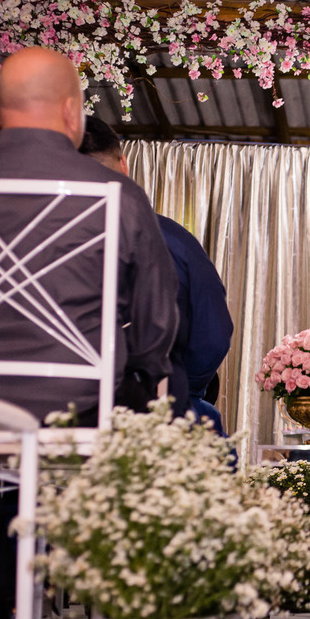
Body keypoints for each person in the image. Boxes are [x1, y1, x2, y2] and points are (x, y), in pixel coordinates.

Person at [0, 47, 177, 619]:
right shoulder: (114, 193)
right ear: (73, 113)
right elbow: (156, 320)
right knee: (139, 412)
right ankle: (112, 606)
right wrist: (141, 378)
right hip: (72, 407)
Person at [77, 115, 233, 432]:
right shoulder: (173, 239)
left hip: (60, 411)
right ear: (123, 164)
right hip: (159, 409)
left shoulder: (37, 239)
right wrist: (183, 390)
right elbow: (213, 334)